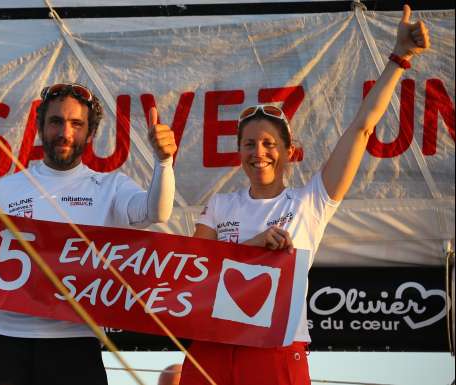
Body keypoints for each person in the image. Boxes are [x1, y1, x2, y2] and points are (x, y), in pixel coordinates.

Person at [180, 5, 429, 385]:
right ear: (238, 152)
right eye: (248, 144)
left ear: (289, 151)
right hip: (212, 345)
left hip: (275, 347)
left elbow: (362, 128)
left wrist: (399, 58)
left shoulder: (309, 201)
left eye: (267, 143)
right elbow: (196, 273)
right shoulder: (220, 205)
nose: (257, 152)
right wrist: (253, 245)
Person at [0, 82, 177, 385]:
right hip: (2, 343)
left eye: (76, 124)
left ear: (90, 133)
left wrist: (163, 162)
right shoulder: (6, 188)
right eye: (56, 122)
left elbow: (156, 212)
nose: (65, 133)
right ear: (40, 127)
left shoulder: (110, 186)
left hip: (74, 345)